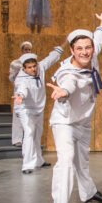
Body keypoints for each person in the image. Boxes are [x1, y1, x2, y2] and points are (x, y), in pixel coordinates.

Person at [46, 13, 102, 203]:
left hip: (83, 121)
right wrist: (63, 92)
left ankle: (88, 193)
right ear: (72, 51)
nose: (85, 52)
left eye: (88, 47)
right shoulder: (68, 73)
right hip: (65, 122)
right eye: (80, 49)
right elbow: (69, 85)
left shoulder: (92, 56)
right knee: (65, 161)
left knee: (82, 162)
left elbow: (99, 38)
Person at [13, 46, 63, 174]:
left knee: (37, 134)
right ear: (24, 68)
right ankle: (27, 165)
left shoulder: (40, 68)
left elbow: (50, 59)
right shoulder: (21, 79)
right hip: (25, 109)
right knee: (29, 133)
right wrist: (19, 96)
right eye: (29, 68)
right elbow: (21, 89)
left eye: (34, 66)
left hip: (38, 108)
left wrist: (59, 49)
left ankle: (39, 160)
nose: (33, 69)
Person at [9, 41, 34, 146]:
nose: (27, 51)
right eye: (25, 49)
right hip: (19, 91)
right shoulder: (15, 63)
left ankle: (29, 139)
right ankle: (17, 139)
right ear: (22, 50)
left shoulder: (34, 63)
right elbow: (11, 78)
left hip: (31, 92)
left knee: (31, 116)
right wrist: (16, 72)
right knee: (18, 115)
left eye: (29, 49)